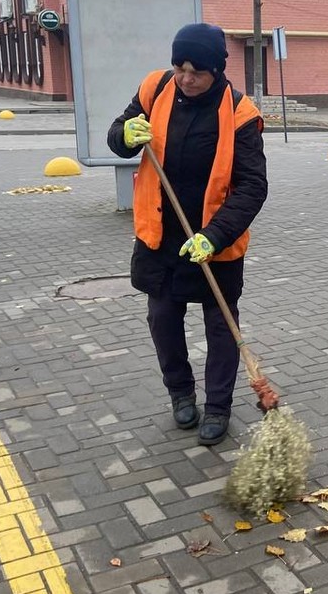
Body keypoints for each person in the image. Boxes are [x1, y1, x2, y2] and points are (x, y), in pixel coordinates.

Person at [107, 23, 268, 445]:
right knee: (162, 319)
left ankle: (218, 407)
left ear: (217, 70)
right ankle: (180, 394)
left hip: (214, 243)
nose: (185, 78)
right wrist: (124, 136)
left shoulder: (240, 113)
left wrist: (214, 235)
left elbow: (253, 186)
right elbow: (118, 132)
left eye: (196, 71)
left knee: (221, 326)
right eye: (179, 67)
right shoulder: (155, 89)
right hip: (160, 237)